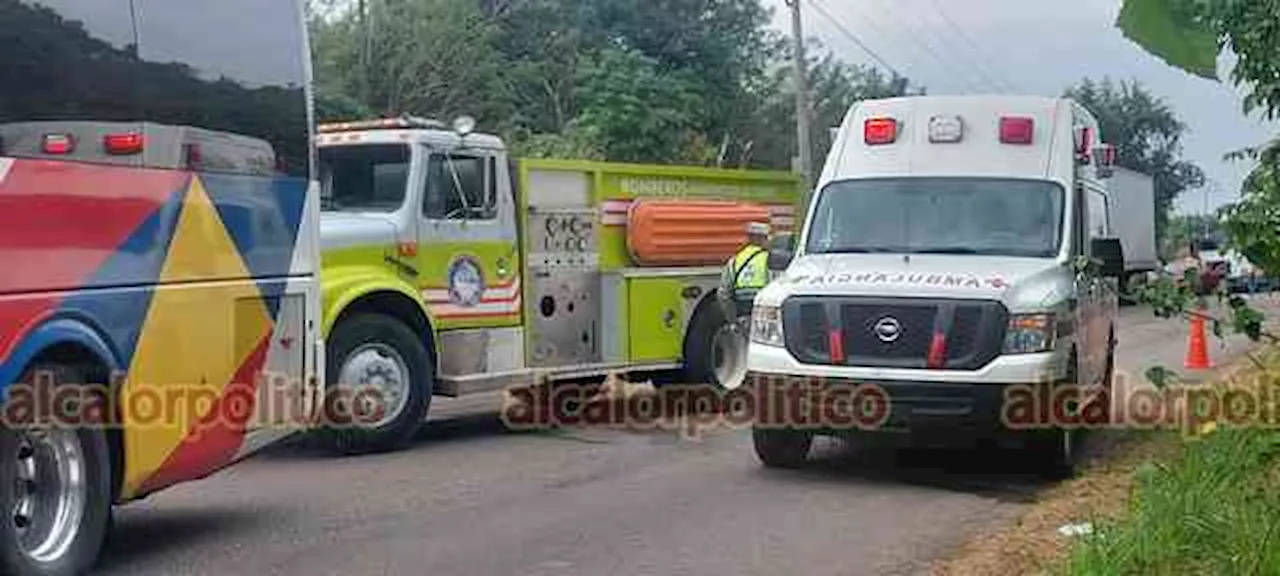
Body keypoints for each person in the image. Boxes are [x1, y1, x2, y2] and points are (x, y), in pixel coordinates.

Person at [719, 221, 773, 320]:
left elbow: (723, 294)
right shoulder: (769, 259)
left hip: (742, 313)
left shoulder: (735, 260)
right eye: (767, 238)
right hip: (762, 313)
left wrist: (732, 319)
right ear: (761, 239)